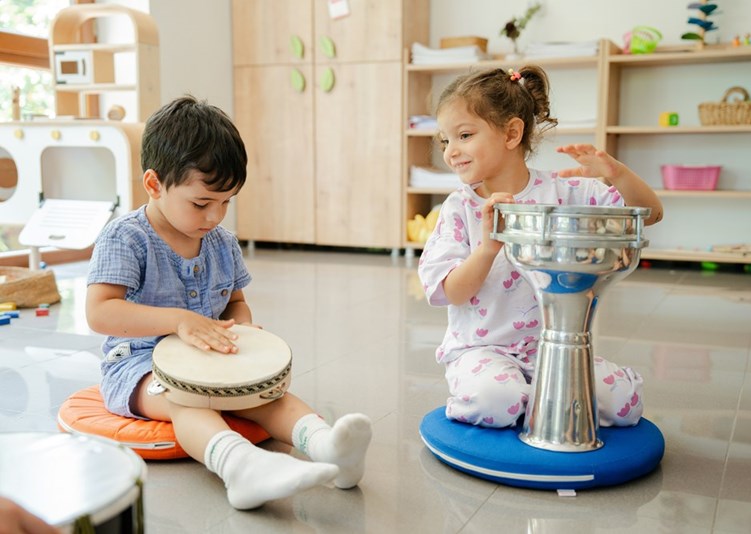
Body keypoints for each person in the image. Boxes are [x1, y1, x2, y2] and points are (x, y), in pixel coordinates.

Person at [85, 96, 372, 510]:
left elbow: (236, 302)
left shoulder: (221, 243)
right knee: (187, 400)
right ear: (154, 184)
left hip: (207, 354)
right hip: (138, 365)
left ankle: (329, 447)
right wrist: (179, 320)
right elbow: (100, 312)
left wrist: (241, 326)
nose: (215, 216)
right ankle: (240, 469)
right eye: (202, 203)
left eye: (226, 202)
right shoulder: (126, 237)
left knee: (267, 396)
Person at [418, 65, 664, 429]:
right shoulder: (459, 207)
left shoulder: (563, 192)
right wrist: (487, 248)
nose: (451, 152)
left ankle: (535, 397)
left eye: (464, 135)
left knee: (625, 403)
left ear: (512, 133)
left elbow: (651, 213)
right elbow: (449, 292)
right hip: (481, 351)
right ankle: (523, 397)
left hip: (555, 349)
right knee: (497, 399)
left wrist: (617, 174)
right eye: (445, 140)